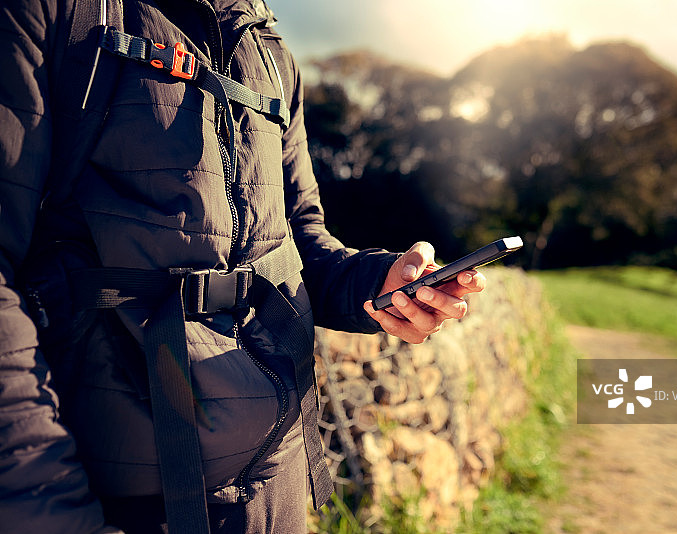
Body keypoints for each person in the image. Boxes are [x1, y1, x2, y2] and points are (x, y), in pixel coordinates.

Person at [0, 1, 485, 533]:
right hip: (129, 494)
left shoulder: (268, 48)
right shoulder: (54, 12)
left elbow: (297, 238)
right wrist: (56, 516)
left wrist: (380, 283)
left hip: (277, 480)